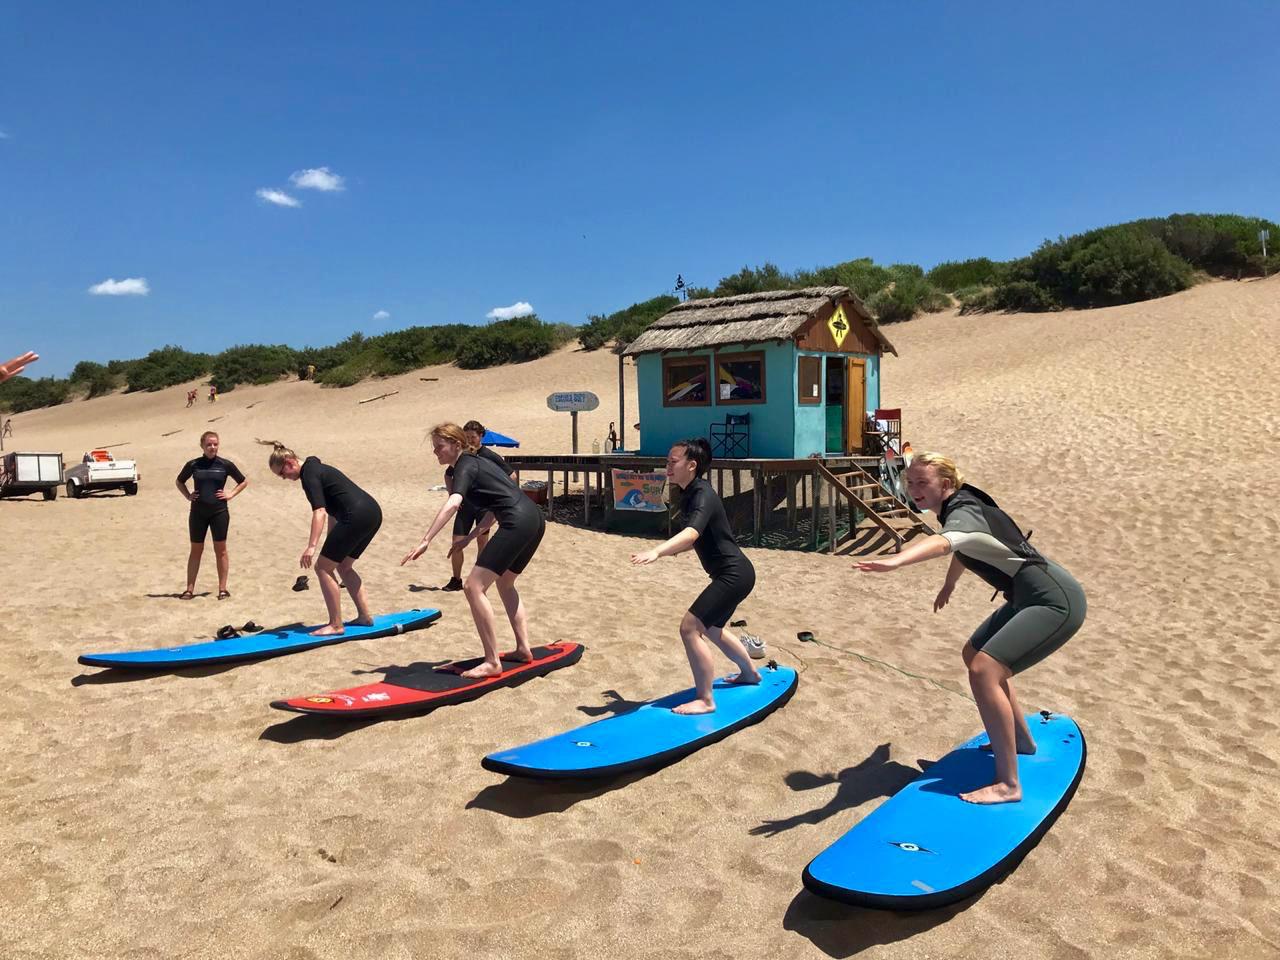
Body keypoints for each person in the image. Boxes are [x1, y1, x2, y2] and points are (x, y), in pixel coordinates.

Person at [856, 452, 1086, 805]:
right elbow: (967, 547)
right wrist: (949, 585)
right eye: (910, 483)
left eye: (923, 483)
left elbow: (947, 542)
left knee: (984, 670)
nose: (914, 489)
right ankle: (1022, 741)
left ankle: (1008, 784)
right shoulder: (958, 508)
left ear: (945, 484)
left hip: (1054, 599)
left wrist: (897, 561)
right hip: (1027, 595)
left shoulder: (961, 511)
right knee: (974, 654)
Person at [402, 422, 544, 678]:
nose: (436, 452)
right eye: (434, 448)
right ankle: (523, 649)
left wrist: (426, 540)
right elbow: (496, 504)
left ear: (456, 444)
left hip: (517, 520)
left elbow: (454, 502)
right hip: (533, 518)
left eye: (439, 447)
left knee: (473, 587)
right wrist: (469, 538)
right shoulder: (478, 463)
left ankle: (492, 662)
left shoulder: (465, 465)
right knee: (506, 583)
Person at [630, 438, 760, 714]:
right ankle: (750, 673)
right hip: (736, 573)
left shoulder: (702, 494)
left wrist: (657, 551)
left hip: (732, 574)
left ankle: (706, 700)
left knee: (689, 628)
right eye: (667, 461)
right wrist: (675, 551)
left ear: (691, 465)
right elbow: (700, 538)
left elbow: (692, 533)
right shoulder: (690, 492)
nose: (668, 466)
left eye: (673, 461)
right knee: (713, 630)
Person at [269, 442, 381, 636]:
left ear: (289, 462)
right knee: (343, 566)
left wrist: (312, 547)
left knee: (322, 567)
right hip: (372, 512)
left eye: (282, 473)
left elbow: (320, 511)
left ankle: (336, 624)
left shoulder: (308, 476)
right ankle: (365, 617)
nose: (284, 478)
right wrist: (332, 542)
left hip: (355, 516)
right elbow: (333, 511)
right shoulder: (318, 469)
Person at [440, 419, 516, 592]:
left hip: (484, 508)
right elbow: (448, 475)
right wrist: (453, 494)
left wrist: (502, 499)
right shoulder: (463, 456)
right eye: (466, 437)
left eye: (472, 437)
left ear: (481, 436)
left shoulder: (490, 456)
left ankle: (479, 578)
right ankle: (456, 579)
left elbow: (512, 476)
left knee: (482, 543)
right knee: (456, 542)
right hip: (465, 507)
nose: (470, 440)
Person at [175, 431, 248, 600]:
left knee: (220, 550)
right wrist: (187, 495)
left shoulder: (225, 464)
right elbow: (179, 481)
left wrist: (231, 494)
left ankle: (222, 589)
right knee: (196, 550)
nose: (212, 447)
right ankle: (189, 589)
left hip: (219, 512)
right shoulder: (193, 464)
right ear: (202, 446)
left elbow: (243, 481)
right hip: (198, 512)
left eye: (215, 444)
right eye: (209, 444)